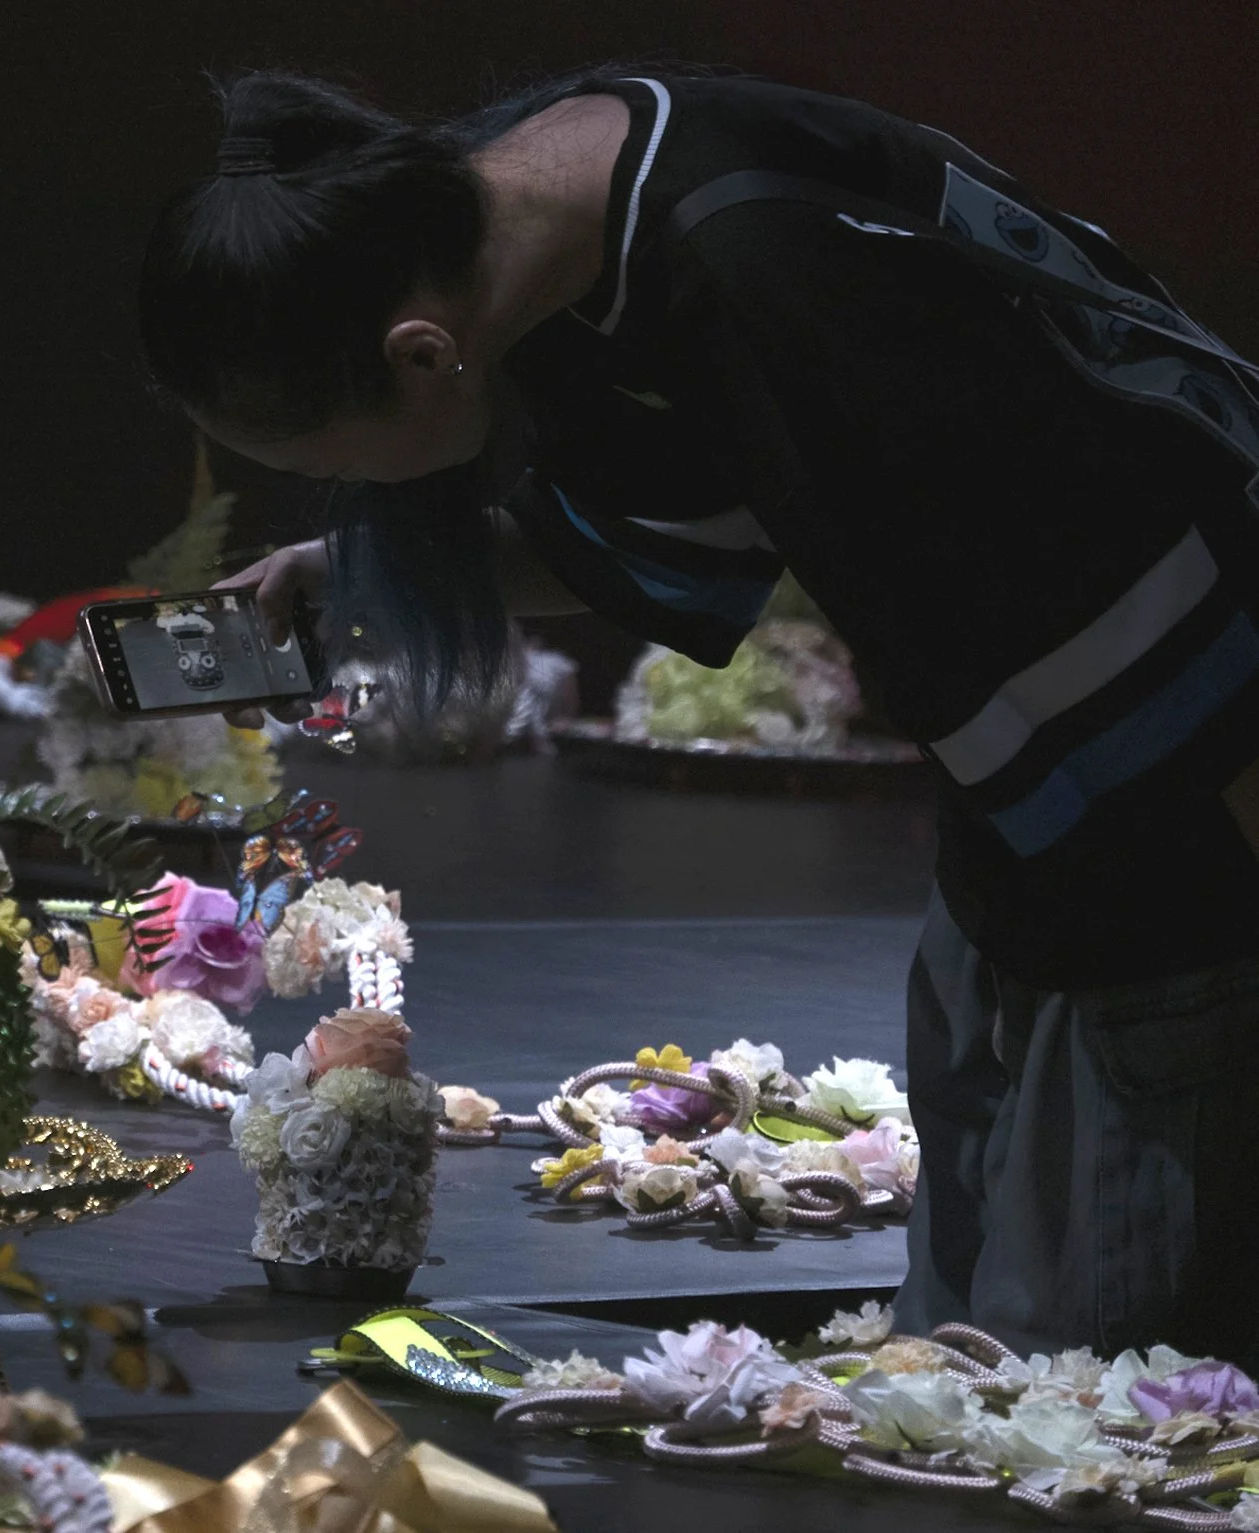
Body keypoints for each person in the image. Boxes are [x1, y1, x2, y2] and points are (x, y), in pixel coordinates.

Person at [138, 67, 1259, 1363]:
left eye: (324, 470)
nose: (332, 497)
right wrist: (355, 584)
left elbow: (1168, 655)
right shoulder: (527, 203)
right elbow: (672, 523)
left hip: (1171, 803)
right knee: (958, 1344)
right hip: (1037, 814)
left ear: (420, 353)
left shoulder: (769, 279)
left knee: (1084, 1385)